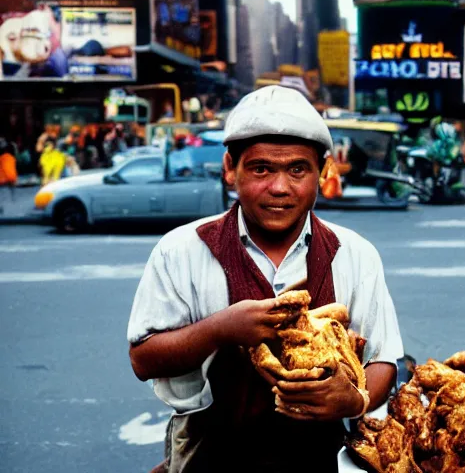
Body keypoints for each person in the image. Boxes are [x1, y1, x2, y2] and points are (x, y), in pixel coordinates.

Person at [127, 86, 403, 472]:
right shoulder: (181, 251)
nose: (279, 187)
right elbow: (143, 359)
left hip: (321, 459)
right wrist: (220, 330)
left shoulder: (355, 254)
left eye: (297, 169)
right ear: (229, 168)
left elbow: (383, 360)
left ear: (323, 172)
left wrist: (353, 400)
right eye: (261, 169)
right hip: (208, 457)